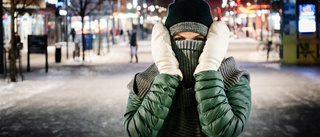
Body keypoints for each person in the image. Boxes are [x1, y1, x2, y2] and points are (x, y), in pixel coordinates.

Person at [124, 0, 251, 137]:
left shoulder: (233, 78)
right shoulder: (144, 81)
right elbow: (137, 133)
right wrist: (166, 73)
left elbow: (225, 132)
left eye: (198, 39)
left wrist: (208, 68)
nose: (188, 45)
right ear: (167, 41)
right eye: (179, 39)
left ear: (210, 41)